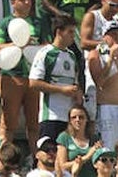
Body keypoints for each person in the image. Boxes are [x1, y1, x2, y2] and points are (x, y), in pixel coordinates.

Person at [29, 16, 82, 144]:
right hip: (51, 116)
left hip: (70, 118)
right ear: (59, 32)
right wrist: (61, 90)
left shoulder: (72, 56)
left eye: (74, 32)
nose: (73, 36)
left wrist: (78, 94)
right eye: (69, 32)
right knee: (49, 155)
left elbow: (74, 83)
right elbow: (34, 83)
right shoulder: (46, 53)